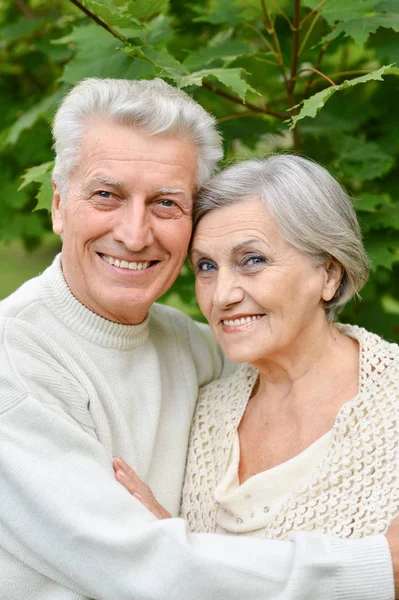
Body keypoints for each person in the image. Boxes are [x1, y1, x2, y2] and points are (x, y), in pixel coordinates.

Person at [0, 77, 397, 600]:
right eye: (106, 195)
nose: (135, 234)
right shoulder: (16, 361)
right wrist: (378, 567)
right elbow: (147, 569)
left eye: (166, 203)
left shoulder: (201, 351)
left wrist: (172, 534)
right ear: (57, 204)